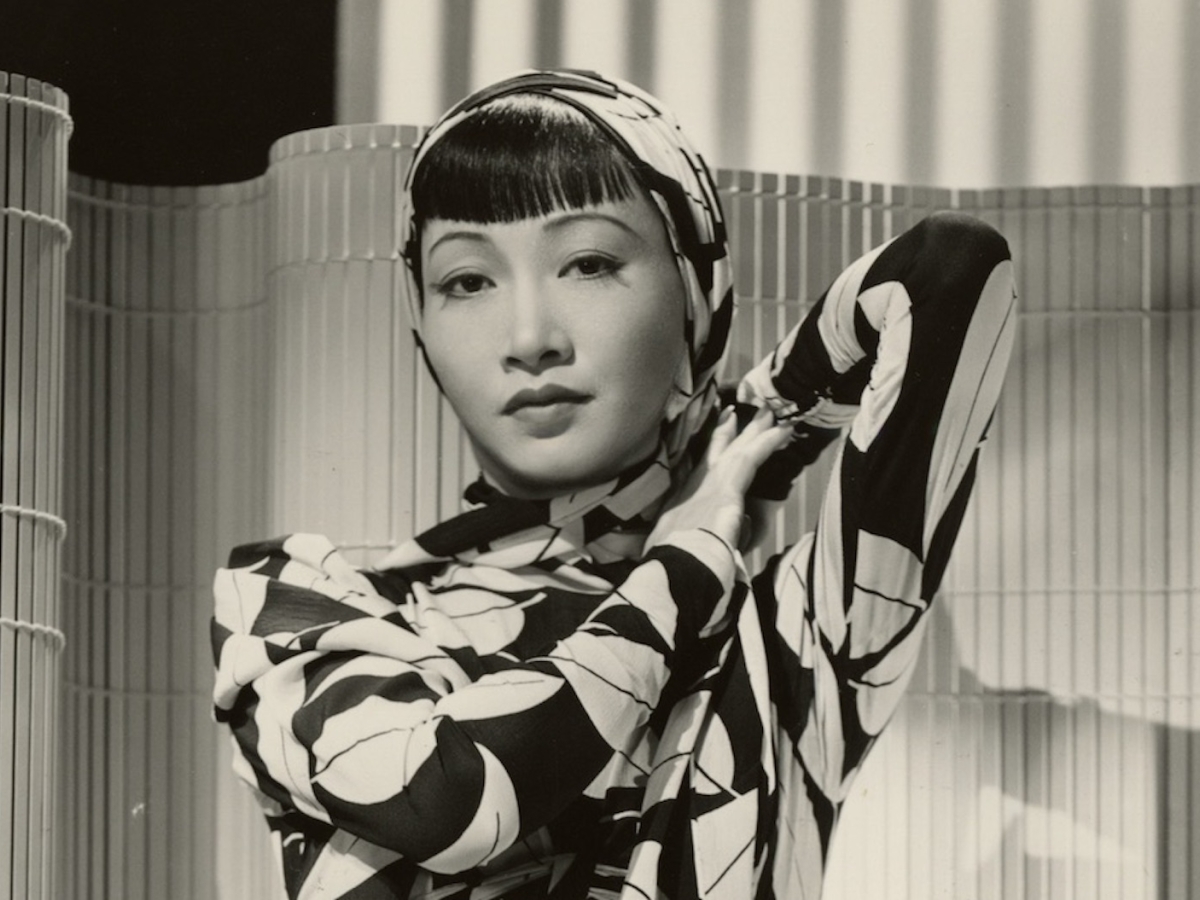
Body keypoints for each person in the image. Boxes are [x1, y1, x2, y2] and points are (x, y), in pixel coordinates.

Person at [211, 69, 1016, 899]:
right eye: (468, 280)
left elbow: (948, 272)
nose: (530, 337)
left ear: (696, 295)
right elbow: (445, 799)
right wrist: (687, 562)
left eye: (588, 263)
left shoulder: (782, 639)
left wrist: (758, 432)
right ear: (423, 326)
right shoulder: (300, 601)